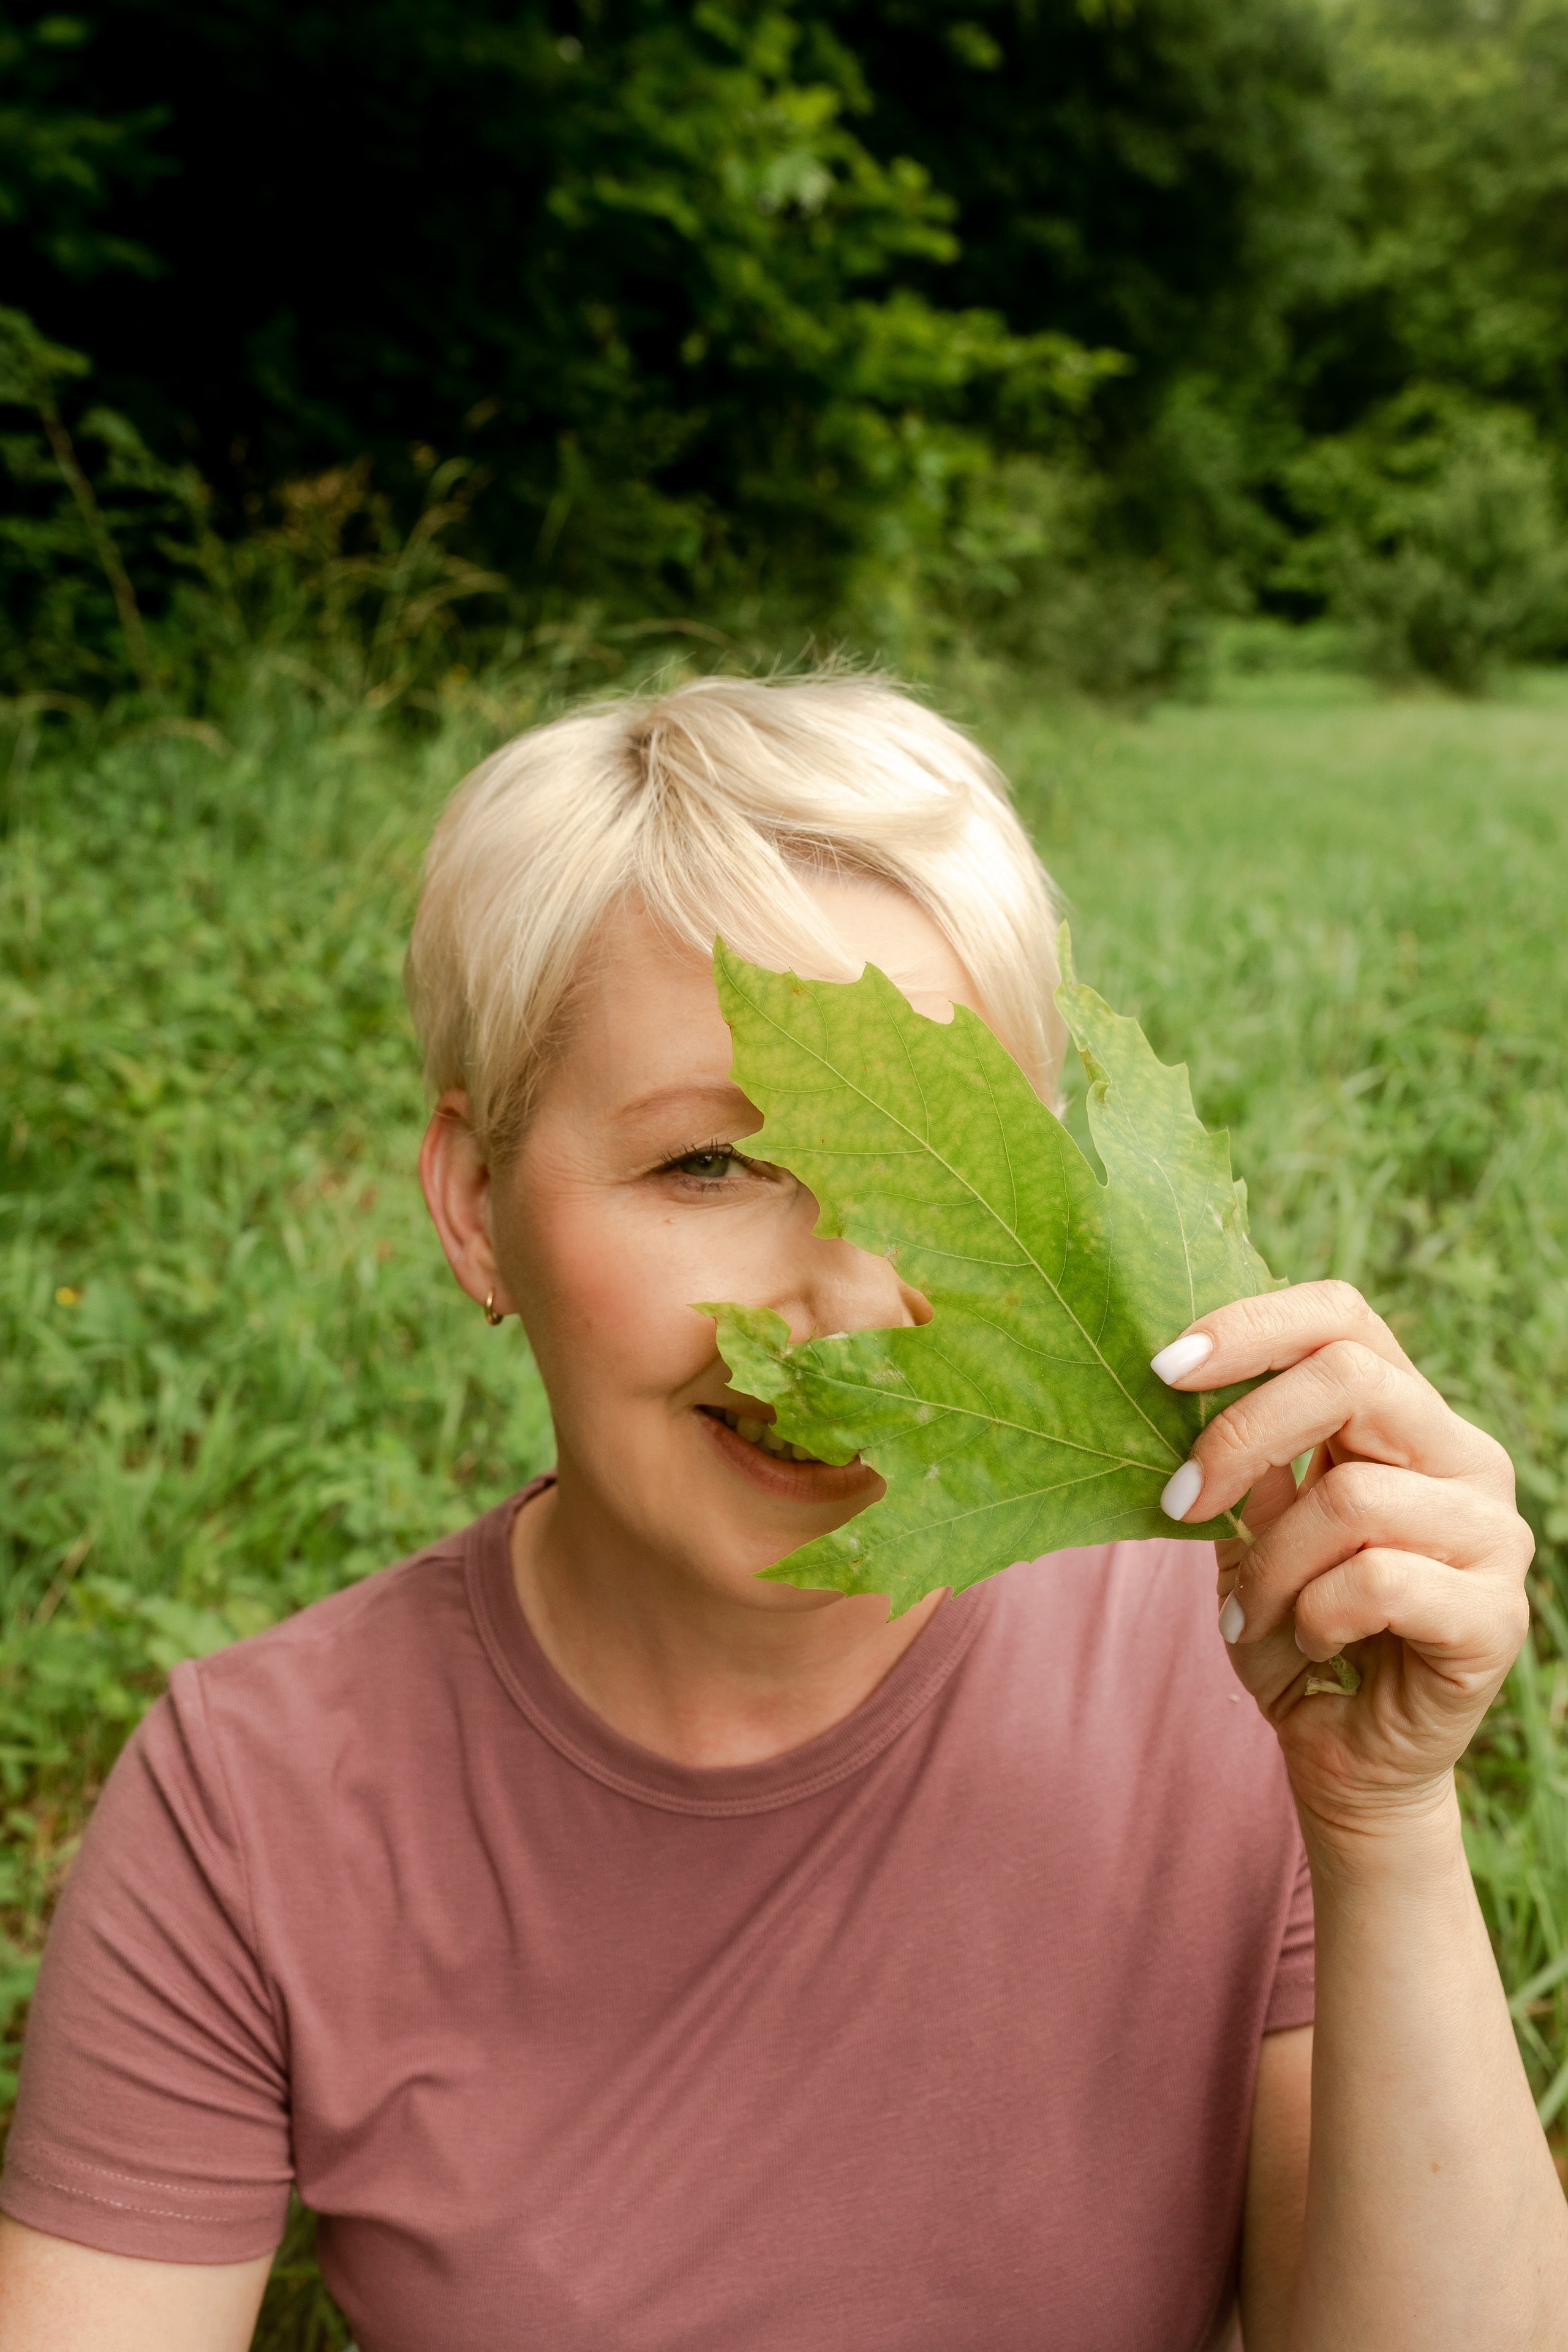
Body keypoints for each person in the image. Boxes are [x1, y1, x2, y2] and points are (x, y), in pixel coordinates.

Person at [0, 674, 1561, 2352]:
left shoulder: (1246, 1664)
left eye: (943, 1183)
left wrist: (1384, 1821)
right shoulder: (255, 1805)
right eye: (708, 1166)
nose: (847, 1302)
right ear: (474, 1207)